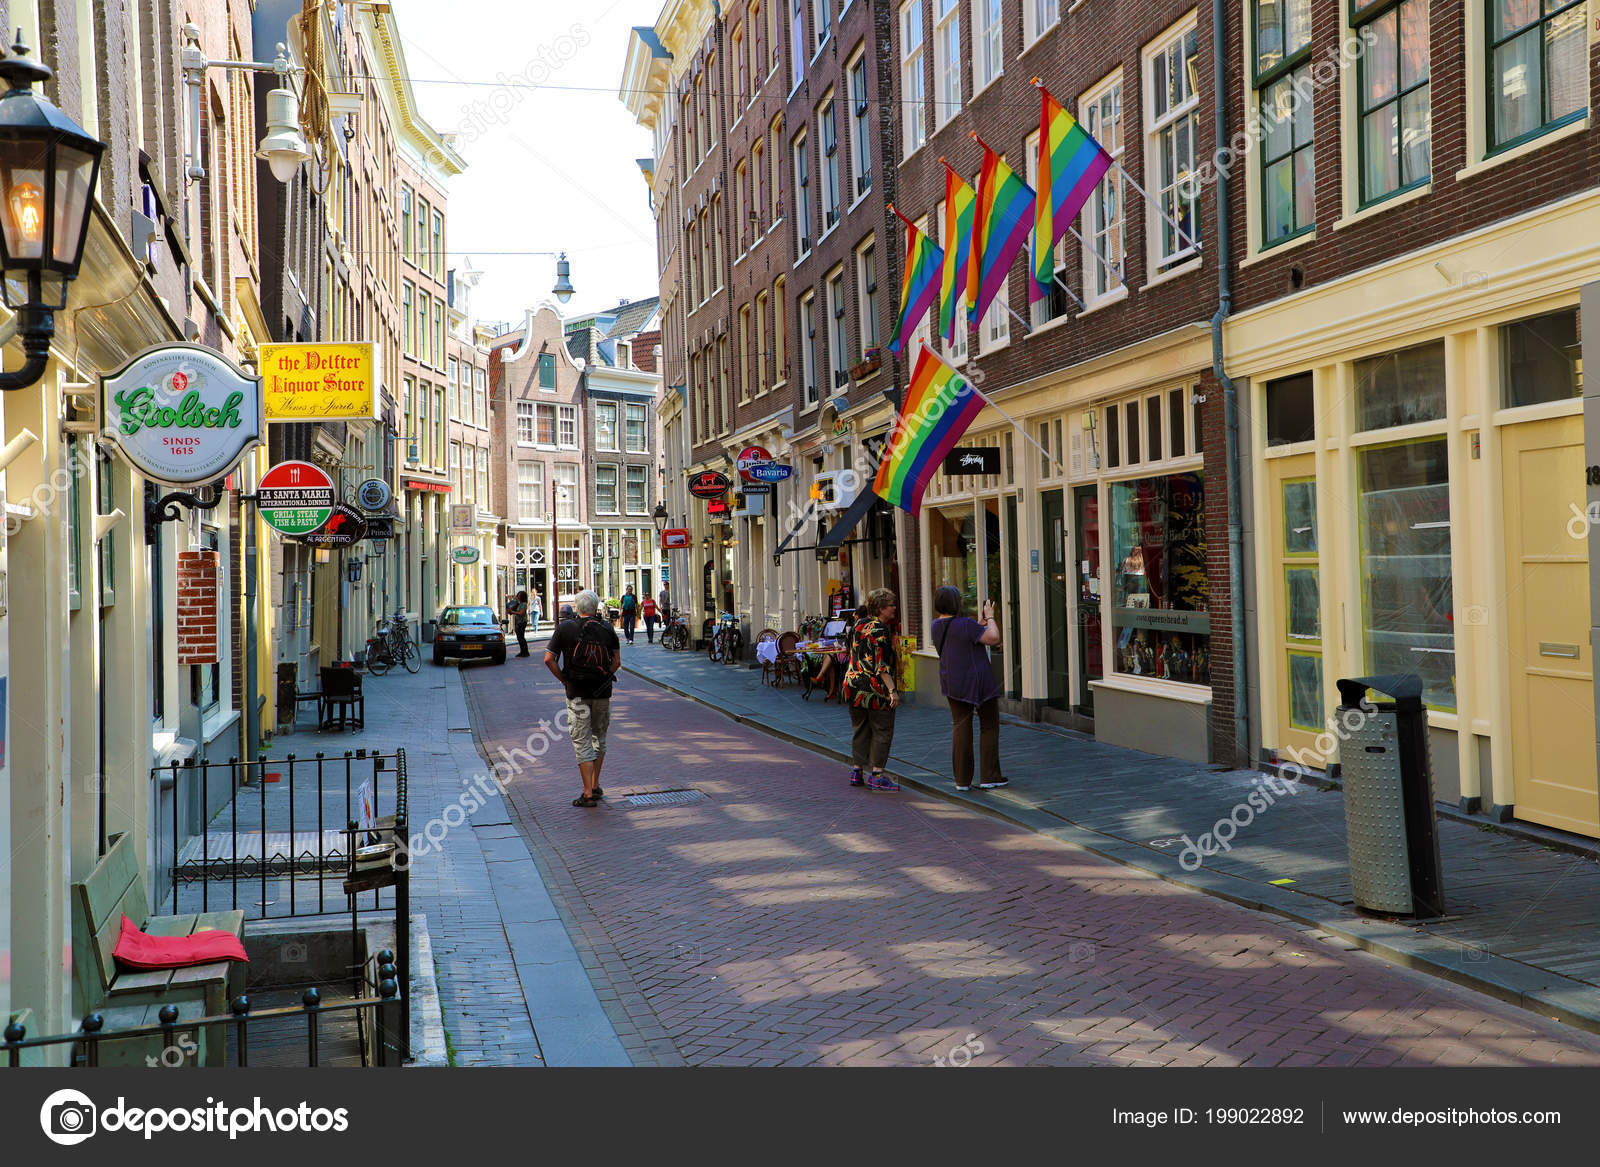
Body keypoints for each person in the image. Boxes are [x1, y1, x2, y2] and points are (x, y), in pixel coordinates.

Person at [544, 591, 622, 808]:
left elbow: (549, 659)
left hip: (577, 692)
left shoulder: (566, 628)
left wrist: (564, 680)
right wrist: (604, 678)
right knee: (599, 737)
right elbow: (616, 661)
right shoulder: (607, 628)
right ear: (596, 608)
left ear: (577, 608)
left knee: (582, 740)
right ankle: (596, 785)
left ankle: (587, 793)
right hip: (602, 694)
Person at [931, 586, 1007, 792]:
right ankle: (989, 776)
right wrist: (990, 618)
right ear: (956, 603)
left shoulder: (936, 625)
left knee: (960, 726)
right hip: (978, 681)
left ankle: (962, 781)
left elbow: (958, 640)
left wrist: (978, 625)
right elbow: (993, 638)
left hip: (952, 681)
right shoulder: (965, 624)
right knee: (989, 724)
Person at [841, 588, 901, 792]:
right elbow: (882, 666)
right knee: (882, 730)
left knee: (860, 729)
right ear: (882, 608)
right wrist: (893, 691)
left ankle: (856, 772)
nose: (895, 608)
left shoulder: (859, 624)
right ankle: (877, 775)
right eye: (892, 605)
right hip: (875, 689)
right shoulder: (881, 630)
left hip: (853, 685)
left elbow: (851, 651)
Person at [507, 590, 530, 657]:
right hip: (518, 622)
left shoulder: (524, 604)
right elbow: (511, 610)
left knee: (521, 637)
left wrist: (513, 612)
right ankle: (522, 651)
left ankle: (525, 652)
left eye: (519, 595)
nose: (518, 596)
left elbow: (521, 613)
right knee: (519, 637)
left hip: (522, 622)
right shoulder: (518, 604)